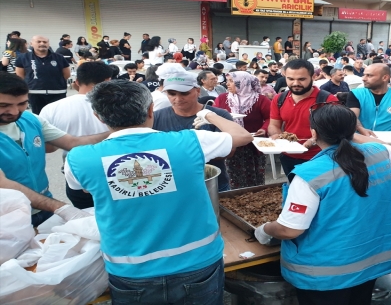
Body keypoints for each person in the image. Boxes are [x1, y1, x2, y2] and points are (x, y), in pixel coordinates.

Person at [65, 79, 252, 304]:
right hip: (197, 263)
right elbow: (242, 136)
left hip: (130, 271)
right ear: (151, 109)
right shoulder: (190, 141)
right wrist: (208, 114)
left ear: (99, 116)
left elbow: (82, 190)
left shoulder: (79, 158)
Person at [255, 103, 391, 304]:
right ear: (353, 130)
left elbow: (290, 230)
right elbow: (373, 143)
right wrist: (350, 133)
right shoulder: (381, 152)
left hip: (327, 273)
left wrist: (264, 230)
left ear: (313, 133)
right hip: (370, 260)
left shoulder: (309, 175)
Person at [0, 73, 106, 226]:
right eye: (4, 106)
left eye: (22, 104)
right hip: (7, 218)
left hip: (42, 208)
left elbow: (72, 142)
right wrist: (60, 208)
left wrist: (119, 132)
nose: (15, 112)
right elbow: (3, 183)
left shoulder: (30, 120)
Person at [39, 62, 112, 209]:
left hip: (76, 173)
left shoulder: (52, 108)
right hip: (113, 168)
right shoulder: (117, 104)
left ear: (76, 82)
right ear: (108, 81)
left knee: (86, 217)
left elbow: (48, 148)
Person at [152, 65, 236, 192]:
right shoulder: (155, 118)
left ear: (197, 91)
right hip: (171, 186)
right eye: (172, 94)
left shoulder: (219, 116)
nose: (178, 99)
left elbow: (229, 151)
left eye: (184, 93)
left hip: (212, 184)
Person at [268, 59, 339, 177]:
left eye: (301, 79)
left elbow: (337, 131)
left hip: (319, 157)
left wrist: (314, 140)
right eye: (290, 79)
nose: (295, 83)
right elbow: (274, 124)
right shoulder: (279, 99)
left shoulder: (328, 100)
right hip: (288, 155)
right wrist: (277, 135)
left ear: (314, 77)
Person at [214, 71, 270, 188]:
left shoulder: (260, 100)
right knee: (232, 176)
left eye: (232, 81)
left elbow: (271, 118)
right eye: (227, 81)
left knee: (255, 177)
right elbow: (214, 117)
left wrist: (264, 129)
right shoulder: (222, 98)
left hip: (253, 144)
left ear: (244, 83)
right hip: (230, 143)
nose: (227, 84)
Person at [14, 36, 70, 114]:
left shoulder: (59, 57)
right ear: (31, 43)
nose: (42, 44)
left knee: (58, 116)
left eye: (45, 42)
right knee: (38, 117)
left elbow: (67, 74)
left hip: (57, 93)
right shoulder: (24, 57)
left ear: (48, 44)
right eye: (39, 41)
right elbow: (20, 76)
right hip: (34, 93)